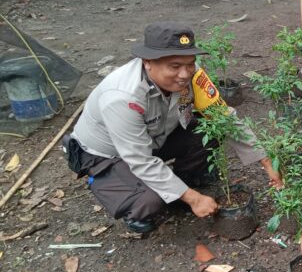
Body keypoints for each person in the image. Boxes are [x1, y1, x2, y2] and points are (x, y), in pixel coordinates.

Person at [64, 22, 282, 234]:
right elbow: (139, 160)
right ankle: (134, 209)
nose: (185, 74)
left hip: (154, 137)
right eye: (175, 66)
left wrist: (266, 161)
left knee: (209, 129)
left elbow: (223, 117)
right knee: (151, 200)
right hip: (109, 154)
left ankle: (184, 181)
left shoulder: (192, 73)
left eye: (189, 63)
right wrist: (194, 199)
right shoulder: (122, 97)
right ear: (148, 62)